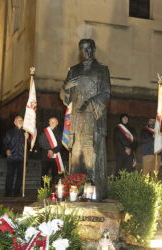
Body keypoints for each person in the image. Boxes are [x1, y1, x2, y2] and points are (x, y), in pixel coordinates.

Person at [60, 39, 111, 200]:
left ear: (94, 49)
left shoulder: (102, 70)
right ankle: (76, 187)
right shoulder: (74, 70)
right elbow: (66, 99)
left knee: (90, 149)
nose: (86, 52)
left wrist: (90, 103)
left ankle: (92, 185)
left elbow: (106, 93)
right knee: (76, 150)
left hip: (92, 117)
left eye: (89, 48)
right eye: (83, 49)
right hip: (76, 117)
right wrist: (66, 88)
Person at [3, 115, 29, 197]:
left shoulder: (26, 133)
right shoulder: (10, 132)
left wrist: (28, 138)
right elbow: (5, 143)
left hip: (22, 158)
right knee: (10, 175)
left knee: (20, 176)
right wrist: (7, 149)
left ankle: (17, 192)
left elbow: (30, 145)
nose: (20, 121)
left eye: (21, 120)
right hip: (12, 157)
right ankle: (8, 192)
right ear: (14, 122)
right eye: (18, 120)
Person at [38, 117, 63, 186]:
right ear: (49, 123)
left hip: (55, 156)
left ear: (57, 123)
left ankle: (54, 191)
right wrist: (49, 149)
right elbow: (41, 141)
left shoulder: (60, 133)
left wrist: (53, 151)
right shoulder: (45, 131)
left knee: (55, 175)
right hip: (45, 156)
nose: (52, 123)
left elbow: (60, 144)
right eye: (51, 122)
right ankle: (44, 191)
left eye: (54, 122)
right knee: (44, 174)